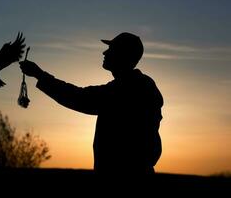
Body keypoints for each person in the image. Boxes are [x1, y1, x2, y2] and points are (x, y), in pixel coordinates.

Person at [19, 32, 163, 176]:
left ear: (123, 55)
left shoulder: (128, 89)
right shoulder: (138, 85)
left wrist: (39, 74)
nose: (104, 52)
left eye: (111, 49)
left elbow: (79, 97)